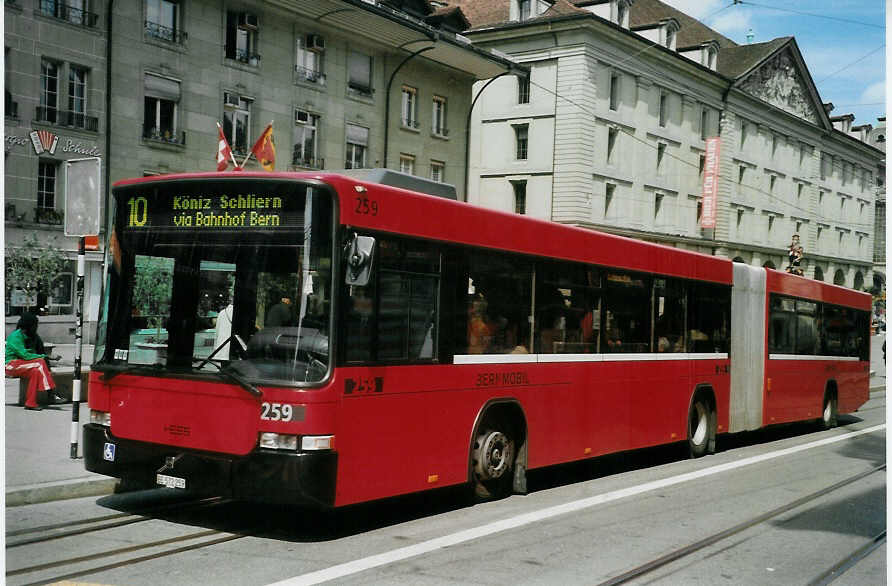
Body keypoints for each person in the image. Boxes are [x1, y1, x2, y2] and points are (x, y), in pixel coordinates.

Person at [5, 313, 62, 411]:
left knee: (35, 372)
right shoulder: (15, 336)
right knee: (39, 362)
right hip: (10, 365)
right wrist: (48, 357)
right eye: (35, 325)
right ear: (28, 326)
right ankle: (52, 394)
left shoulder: (33, 337)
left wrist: (46, 360)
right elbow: (25, 355)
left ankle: (30, 403)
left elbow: (38, 353)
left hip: (22, 364)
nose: (36, 328)